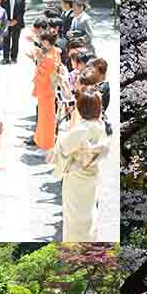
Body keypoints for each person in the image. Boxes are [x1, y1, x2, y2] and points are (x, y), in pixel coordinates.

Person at [53, 88, 109, 242]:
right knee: (90, 212)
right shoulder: (100, 127)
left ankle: (75, 245)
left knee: (74, 215)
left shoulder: (80, 130)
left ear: (80, 108)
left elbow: (62, 146)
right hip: (92, 173)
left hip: (76, 175)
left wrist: (65, 126)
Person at [32, 29, 61, 153]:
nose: (42, 44)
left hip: (46, 90)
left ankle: (46, 145)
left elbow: (43, 73)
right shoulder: (53, 52)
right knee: (45, 118)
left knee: (46, 119)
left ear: (47, 42)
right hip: (48, 90)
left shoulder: (50, 56)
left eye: (43, 42)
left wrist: (38, 60)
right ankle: (43, 144)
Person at [1, 0, 25, 64]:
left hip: (16, 22)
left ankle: (14, 57)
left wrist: (15, 21)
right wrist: (6, 21)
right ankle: (5, 57)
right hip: (6, 22)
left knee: (15, 40)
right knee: (6, 40)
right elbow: (2, 11)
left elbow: (22, 11)